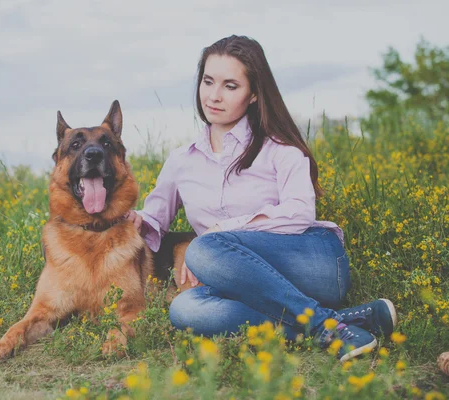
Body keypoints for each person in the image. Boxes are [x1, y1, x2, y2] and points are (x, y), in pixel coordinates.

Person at [125, 35, 397, 362]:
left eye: (230, 86)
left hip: (314, 263)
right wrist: (126, 218)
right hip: (242, 281)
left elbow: (299, 214)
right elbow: (154, 221)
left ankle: (319, 321)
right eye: (208, 81)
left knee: (204, 248)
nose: (213, 96)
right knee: (186, 310)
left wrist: (218, 234)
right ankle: (331, 325)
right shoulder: (182, 160)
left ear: (254, 93)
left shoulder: (280, 148)